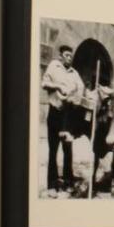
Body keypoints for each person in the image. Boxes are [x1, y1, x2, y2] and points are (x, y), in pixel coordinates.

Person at [41, 44, 84, 193]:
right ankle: (52, 185)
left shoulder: (74, 73)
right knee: (53, 150)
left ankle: (68, 181)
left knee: (68, 149)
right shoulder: (54, 66)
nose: (69, 58)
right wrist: (58, 86)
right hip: (55, 113)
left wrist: (75, 99)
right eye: (67, 55)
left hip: (68, 115)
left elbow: (81, 88)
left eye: (71, 56)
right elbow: (44, 83)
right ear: (60, 56)